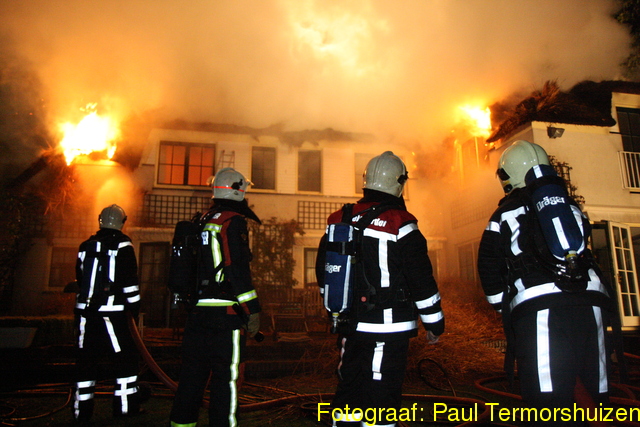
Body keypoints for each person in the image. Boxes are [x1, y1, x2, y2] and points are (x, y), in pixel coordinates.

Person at [477, 140, 615, 423]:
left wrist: (503, 307)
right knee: (595, 386)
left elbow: (488, 264)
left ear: (508, 175)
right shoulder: (569, 206)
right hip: (591, 301)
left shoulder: (503, 214)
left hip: (539, 308)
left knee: (548, 396)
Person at [316, 151, 445, 427]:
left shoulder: (340, 219)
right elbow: (420, 278)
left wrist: (337, 308)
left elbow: (323, 270)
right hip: (388, 327)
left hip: (349, 325)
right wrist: (434, 322)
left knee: (350, 387)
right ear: (399, 183)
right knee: (381, 396)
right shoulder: (401, 222)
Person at [170, 167, 262, 427]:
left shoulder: (201, 220)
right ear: (238, 190)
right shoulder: (232, 221)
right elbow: (237, 269)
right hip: (226, 317)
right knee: (226, 379)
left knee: (192, 377)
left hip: (197, 313)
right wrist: (252, 310)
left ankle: (181, 424)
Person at [73, 204, 142, 422]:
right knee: (125, 360)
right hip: (113, 315)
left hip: (85, 314)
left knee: (85, 362)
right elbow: (130, 283)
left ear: (100, 220)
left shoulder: (85, 246)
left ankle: (81, 413)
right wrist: (135, 308)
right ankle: (124, 410)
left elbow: (80, 278)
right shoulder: (124, 246)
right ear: (123, 222)